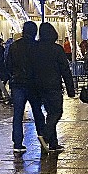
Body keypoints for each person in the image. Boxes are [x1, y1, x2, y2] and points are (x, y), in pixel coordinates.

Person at [33, 22, 76, 154]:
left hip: (39, 86)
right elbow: (65, 69)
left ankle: (53, 143)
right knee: (57, 112)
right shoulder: (57, 49)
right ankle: (46, 136)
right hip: (53, 85)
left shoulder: (36, 48)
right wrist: (71, 89)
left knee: (50, 113)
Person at [4, 21, 43, 153]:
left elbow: (8, 64)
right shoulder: (37, 46)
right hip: (33, 84)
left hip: (18, 84)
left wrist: (12, 76)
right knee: (37, 112)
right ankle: (43, 138)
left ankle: (17, 142)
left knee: (18, 114)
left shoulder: (14, 46)